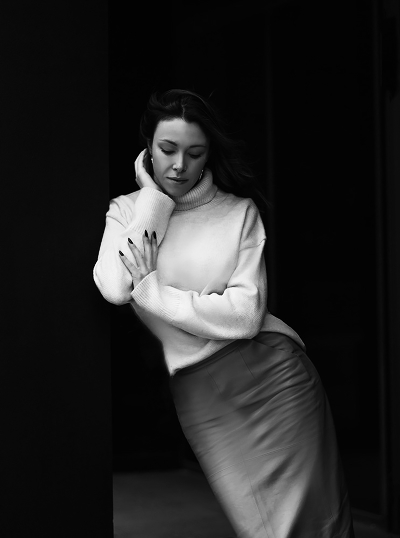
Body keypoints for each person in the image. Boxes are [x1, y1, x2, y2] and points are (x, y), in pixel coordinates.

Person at [93, 89, 355, 537]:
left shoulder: (238, 213)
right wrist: (153, 200)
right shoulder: (128, 212)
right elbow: (116, 288)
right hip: (202, 394)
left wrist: (153, 292)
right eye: (167, 149)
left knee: (316, 522)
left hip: (275, 378)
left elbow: (246, 315)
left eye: (195, 153)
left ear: (209, 154)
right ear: (148, 148)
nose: (180, 165)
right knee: (262, 528)